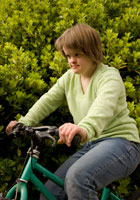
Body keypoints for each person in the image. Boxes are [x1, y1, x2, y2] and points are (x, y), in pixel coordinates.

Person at [6, 23, 140, 200]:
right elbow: (48, 100)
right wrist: (25, 122)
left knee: (78, 178)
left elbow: (103, 107)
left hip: (123, 143)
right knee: (50, 193)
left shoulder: (109, 77)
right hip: (92, 146)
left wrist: (84, 127)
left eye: (77, 54)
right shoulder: (70, 77)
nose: (71, 60)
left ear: (92, 51)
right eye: (68, 55)